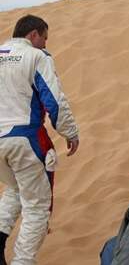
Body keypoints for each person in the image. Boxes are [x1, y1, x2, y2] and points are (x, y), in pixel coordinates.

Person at [0, 15, 80, 265]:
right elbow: (54, 100)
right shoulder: (37, 57)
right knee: (37, 207)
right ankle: (22, 262)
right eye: (44, 38)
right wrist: (70, 131)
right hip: (25, 138)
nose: (45, 44)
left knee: (16, 189)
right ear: (33, 34)